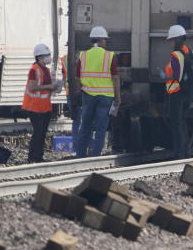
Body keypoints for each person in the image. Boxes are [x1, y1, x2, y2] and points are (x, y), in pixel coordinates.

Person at [73, 25, 121, 158]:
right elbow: (115, 78)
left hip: (88, 96)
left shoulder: (83, 56)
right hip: (106, 97)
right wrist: (118, 97)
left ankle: (80, 156)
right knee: (100, 129)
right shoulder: (109, 56)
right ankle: (95, 157)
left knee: (85, 127)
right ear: (100, 40)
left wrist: (81, 90)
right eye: (104, 39)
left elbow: (77, 78)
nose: (105, 42)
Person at [22, 43, 63, 163]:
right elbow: (32, 87)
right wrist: (50, 86)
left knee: (42, 133)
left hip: (45, 107)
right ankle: (32, 157)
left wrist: (55, 88)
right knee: (38, 133)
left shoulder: (45, 69)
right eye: (47, 55)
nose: (49, 57)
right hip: (34, 107)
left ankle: (38, 157)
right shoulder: (34, 70)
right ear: (39, 57)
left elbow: (45, 88)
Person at [164, 24, 191, 159]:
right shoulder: (187, 52)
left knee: (175, 123)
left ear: (176, 40)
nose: (171, 42)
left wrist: (165, 76)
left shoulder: (176, 55)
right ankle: (185, 151)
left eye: (172, 40)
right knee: (181, 122)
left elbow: (176, 75)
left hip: (176, 93)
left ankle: (179, 153)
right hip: (185, 93)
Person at [60, 49, 80, 147]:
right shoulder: (83, 56)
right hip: (83, 92)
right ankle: (85, 146)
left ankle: (77, 147)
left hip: (70, 93)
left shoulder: (64, 59)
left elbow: (64, 78)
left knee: (76, 120)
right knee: (85, 120)